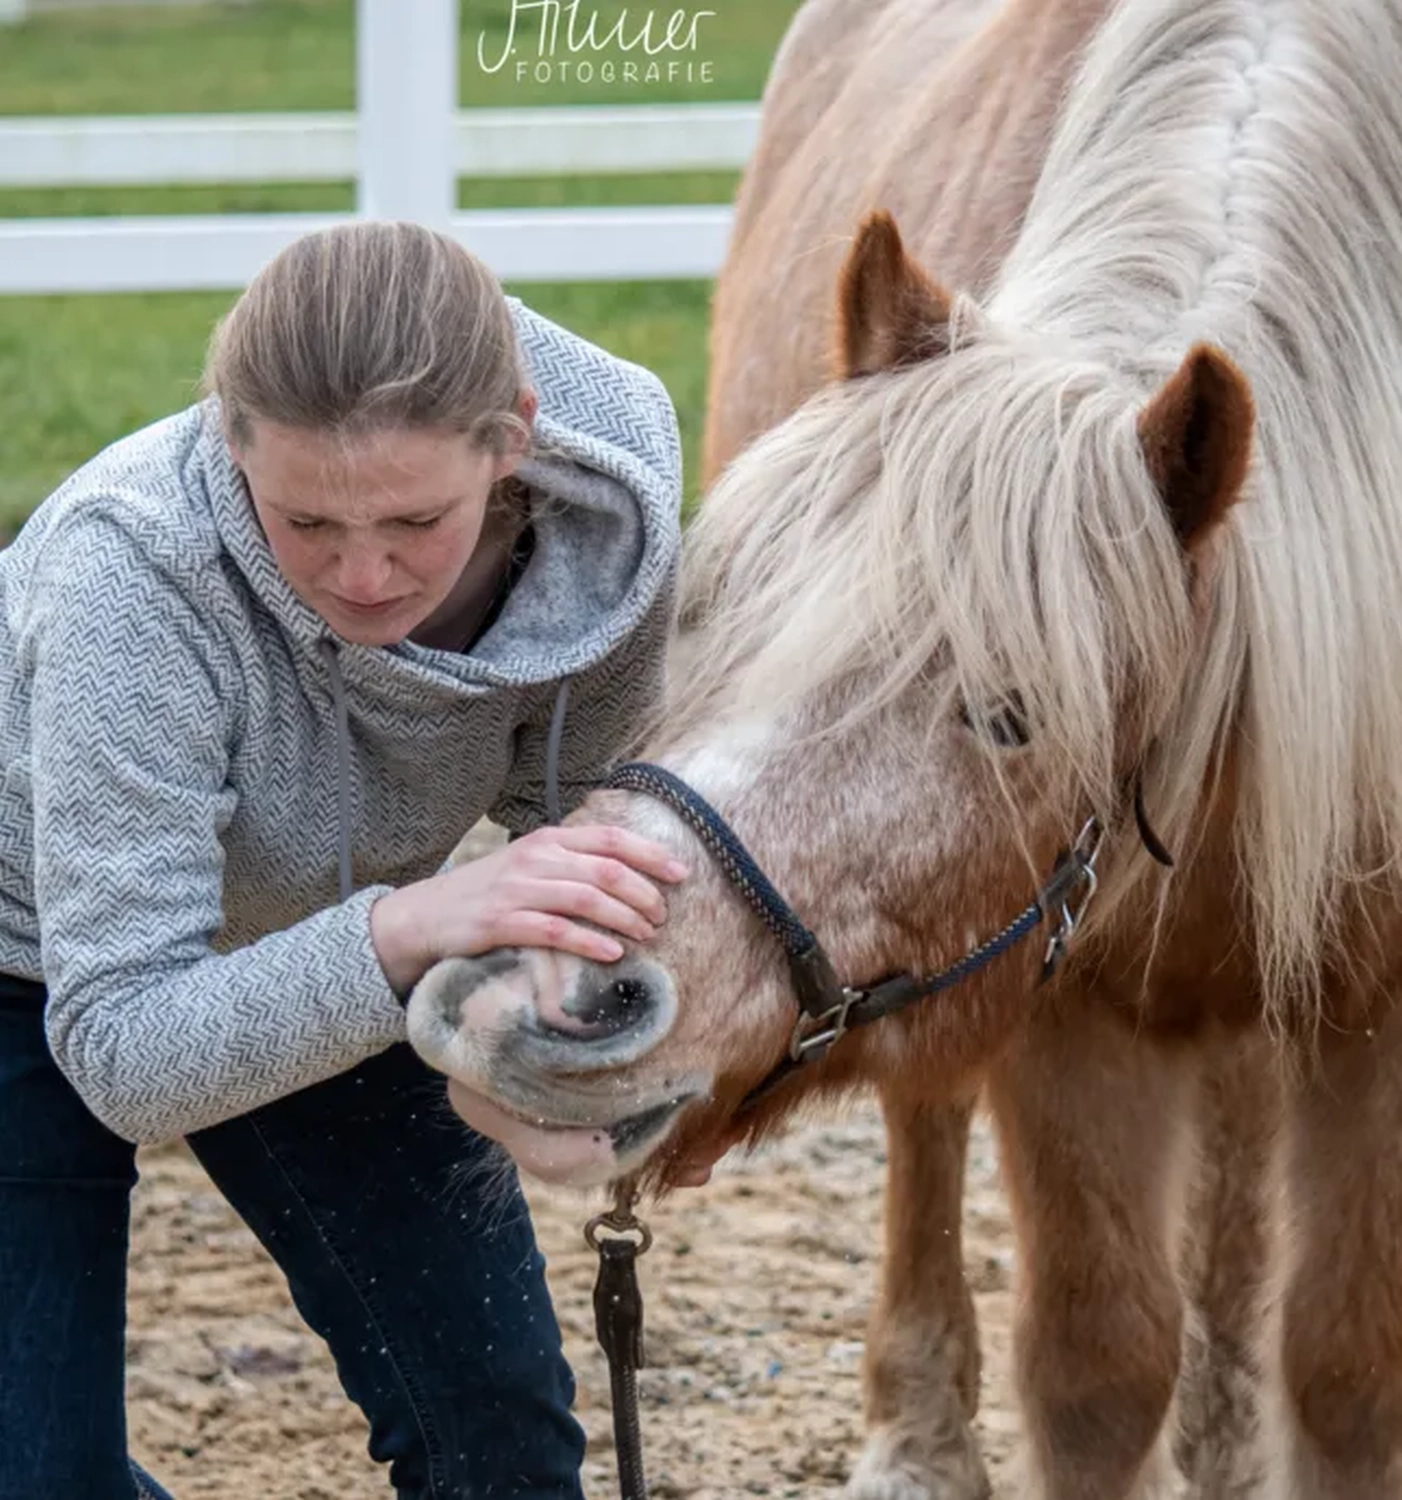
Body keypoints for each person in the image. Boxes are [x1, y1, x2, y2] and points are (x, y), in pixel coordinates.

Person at [0, 219, 690, 1500]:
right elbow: (125, 1055)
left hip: (327, 929)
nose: (364, 574)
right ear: (230, 441)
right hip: (35, 955)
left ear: (515, 437)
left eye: (417, 520)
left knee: (500, 1439)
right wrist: (413, 928)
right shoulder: (132, 567)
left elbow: (588, 816)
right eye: (304, 519)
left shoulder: (619, 486)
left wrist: (577, 1028)